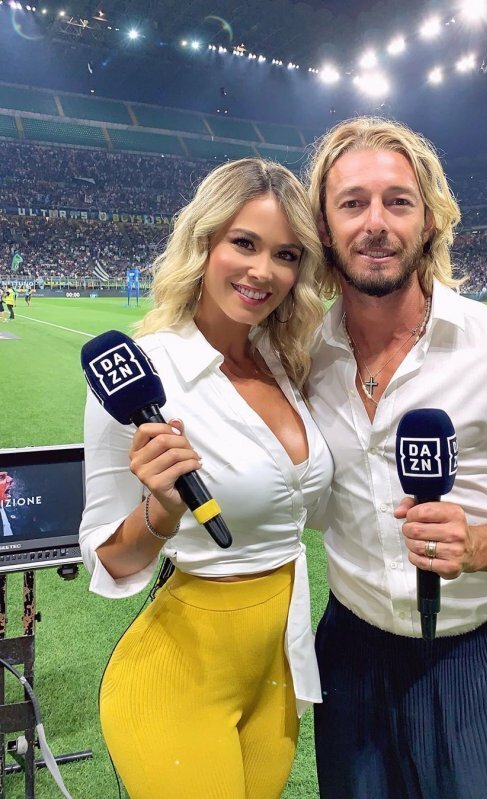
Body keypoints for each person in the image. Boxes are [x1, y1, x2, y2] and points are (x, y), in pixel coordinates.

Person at [304, 117, 487, 799]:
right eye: (352, 203)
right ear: (324, 226)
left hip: (480, 655)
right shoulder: (302, 355)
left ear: (430, 219)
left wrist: (481, 544)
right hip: (349, 655)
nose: (375, 223)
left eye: (398, 202)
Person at [79, 158, 333, 799]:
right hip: (177, 678)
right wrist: (161, 511)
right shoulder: (143, 372)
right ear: (204, 242)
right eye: (244, 243)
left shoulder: (287, 362)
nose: (262, 270)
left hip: (277, 670)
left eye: (286, 254)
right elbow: (108, 558)